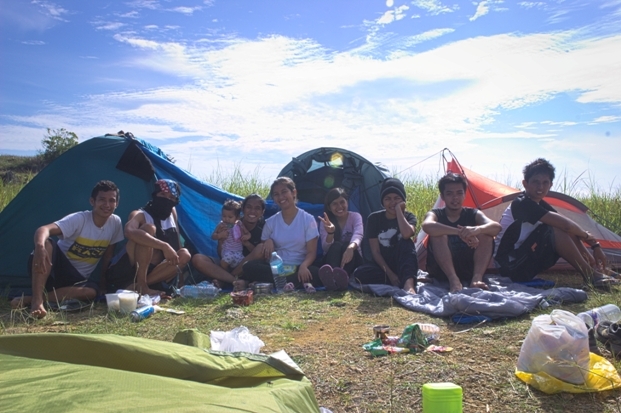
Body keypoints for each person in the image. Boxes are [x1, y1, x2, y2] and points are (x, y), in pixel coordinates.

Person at [494, 158, 619, 288]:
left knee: (565, 229)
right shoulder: (522, 203)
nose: (540, 187)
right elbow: (565, 225)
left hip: (522, 259)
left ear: (550, 185)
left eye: (545, 183)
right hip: (509, 266)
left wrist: (595, 246)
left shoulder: (539, 204)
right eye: (535, 182)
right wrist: (590, 240)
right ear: (525, 184)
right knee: (556, 229)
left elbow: (569, 227)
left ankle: (596, 269)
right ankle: (591, 275)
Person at [11, 180, 124, 318]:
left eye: (111, 200)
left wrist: (103, 285)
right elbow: (44, 229)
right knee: (47, 244)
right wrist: (39, 247)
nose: (107, 205)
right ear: (92, 201)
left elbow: (108, 256)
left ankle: (30, 299)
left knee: (91, 292)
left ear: (117, 204)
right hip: (54, 268)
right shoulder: (80, 219)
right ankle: (36, 302)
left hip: (77, 280)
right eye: (102, 200)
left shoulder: (115, 223)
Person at [105, 179, 191, 296]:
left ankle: (138, 286)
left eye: (171, 198)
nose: (167, 200)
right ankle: (141, 284)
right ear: (155, 195)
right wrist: (164, 246)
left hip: (157, 272)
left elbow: (177, 242)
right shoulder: (140, 214)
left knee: (184, 254)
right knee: (148, 229)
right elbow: (129, 231)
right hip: (130, 269)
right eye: (163, 195)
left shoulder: (172, 212)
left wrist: (181, 281)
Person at [422, 173, 501, 292]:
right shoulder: (436, 214)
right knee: (438, 235)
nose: (455, 198)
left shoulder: (473, 213)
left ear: (464, 195)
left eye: (459, 193)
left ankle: (476, 279)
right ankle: (453, 280)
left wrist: (476, 230)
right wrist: (461, 232)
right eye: (449, 194)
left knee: (486, 235)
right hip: (442, 272)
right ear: (442, 196)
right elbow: (427, 226)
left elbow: (496, 227)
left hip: (468, 269)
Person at [240, 177, 320, 293]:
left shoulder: (308, 219)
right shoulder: (271, 222)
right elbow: (264, 254)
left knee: (315, 272)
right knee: (248, 267)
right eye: (276, 194)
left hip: (298, 267)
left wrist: (304, 266)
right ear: (273, 198)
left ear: (294, 193)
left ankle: (282, 282)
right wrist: (268, 241)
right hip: (276, 269)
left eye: (284, 192)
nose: (281, 197)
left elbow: (312, 252)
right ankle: (293, 282)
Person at [352, 178, 418, 294]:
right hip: (383, 266)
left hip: (401, 262)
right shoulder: (374, 219)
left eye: (397, 198)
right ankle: (399, 279)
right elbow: (375, 251)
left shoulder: (409, 217)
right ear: (382, 202)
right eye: (388, 199)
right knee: (359, 274)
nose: (392, 202)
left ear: (403, 200)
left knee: (406, 242)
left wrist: (398, 211)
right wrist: (391, 275)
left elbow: (407, 234)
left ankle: (409, 284)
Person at [191, 194, 266, 289]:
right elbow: (221, 254)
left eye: (257, 208)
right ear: (242, 209)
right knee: (198, 259)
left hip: (246, 266)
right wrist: (221, 241)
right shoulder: (229, 223)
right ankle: (234, 280)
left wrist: (247, 243)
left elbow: (260, 254)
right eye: (249, 207)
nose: (252, 211)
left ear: (262, 212)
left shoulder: (263, 228)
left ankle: (224, 279)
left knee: (261, 248)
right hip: (227, 262)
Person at [317, 187, 364, 291]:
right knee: (337, 245)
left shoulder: (355, 217)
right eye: (335, 204)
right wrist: (330, 233)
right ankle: (333, 278)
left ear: (347, 202)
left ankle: (342, 277)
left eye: (342, 202)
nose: (339, 206)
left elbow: (358, 234)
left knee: (347, 243)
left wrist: (350, 248)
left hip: (354, 259)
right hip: (333, 260)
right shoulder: (325, 222)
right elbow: (325, 248)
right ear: (329, 207)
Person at [215, 199, 245, 271]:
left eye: (230, 217)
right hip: (227, 251)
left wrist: (246, 237)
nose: (226, 219)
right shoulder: (222, 225)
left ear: (237, 217)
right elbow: (213, 236)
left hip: (238, 252)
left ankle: (236, 276)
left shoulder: (239, 224)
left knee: (243, 266)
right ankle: (226, 274)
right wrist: (220, 235)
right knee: (224, 263)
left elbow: (247, 233)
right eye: (224, 216)